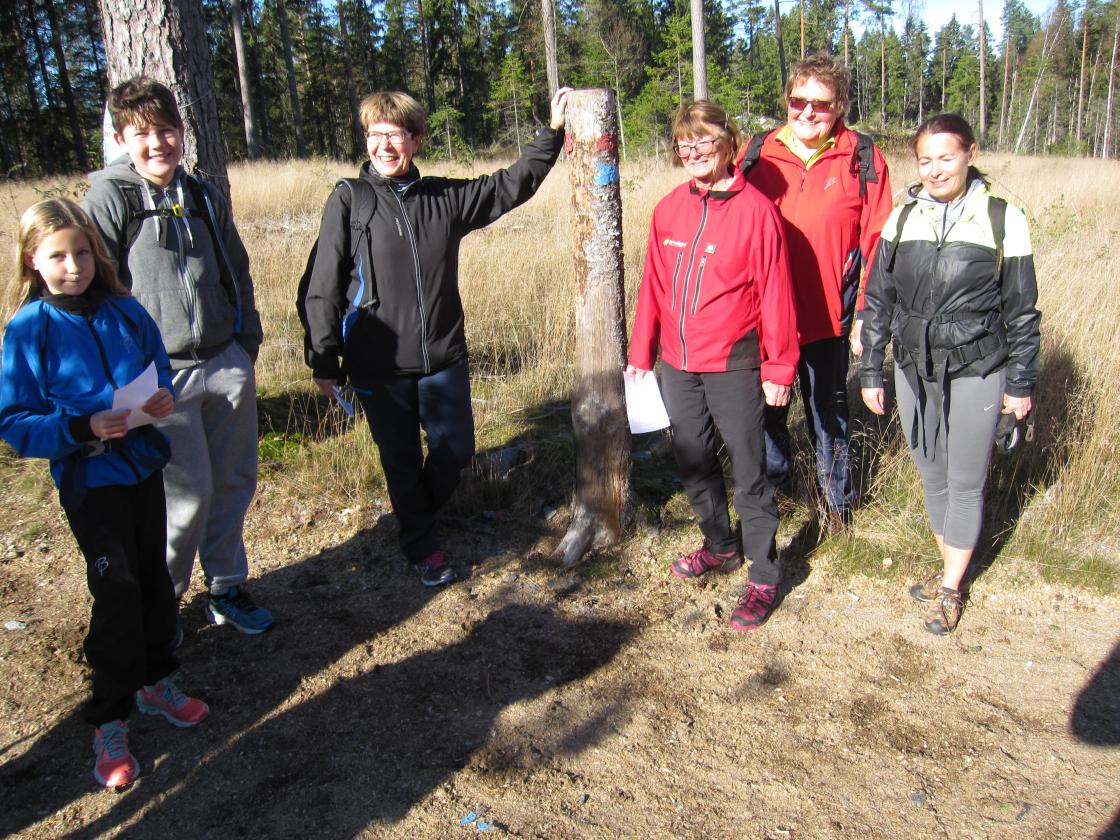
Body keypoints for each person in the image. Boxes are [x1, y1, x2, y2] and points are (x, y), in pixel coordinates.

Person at [302, 87, 571, 587]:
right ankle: (420, 542)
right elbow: (322, 283)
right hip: (378, 363)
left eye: (395, 134)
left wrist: (551, 135)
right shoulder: (349, 199)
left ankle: (415, 513)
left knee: (455, 450)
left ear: (416, 140)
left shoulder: (443, 198)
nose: (384, 145)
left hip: (443, 356)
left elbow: (510, 185)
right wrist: (323, 360)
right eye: (375, 134)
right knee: (400, 458)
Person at [0, 199, 209, 788]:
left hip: (142, 468)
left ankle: (156, 683)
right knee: (116, 591)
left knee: (153, 576)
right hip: (91, 483)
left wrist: (161, 397)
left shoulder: (125, 310)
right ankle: (109, 719)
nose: (74, 266)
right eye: (58, 256)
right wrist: (80, 427)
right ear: (33, 262)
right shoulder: (29, 328)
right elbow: (15, 421)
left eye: (83, 252)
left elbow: (155, 371)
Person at [83, 78, 273, 636]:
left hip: (225, 361)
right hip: (160, 378)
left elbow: (236, 271)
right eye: (142, 133)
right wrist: (123, 376)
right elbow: (96, 291)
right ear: (121, 138)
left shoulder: (202, 196)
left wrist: (246, 344)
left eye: (167, 130)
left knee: (235, 481)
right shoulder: (110, 198)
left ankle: (227, 587)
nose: (158, 143)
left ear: (183, 133)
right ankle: (163, 605)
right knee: (182, 500)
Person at [859, 113, 1041, 635]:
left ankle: (951, 589)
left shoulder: (1003, 218)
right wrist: (871, 369)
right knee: (931, 474)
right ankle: (949, 568)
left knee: (964, 481)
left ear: (970, 154)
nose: (935, 169)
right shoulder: (901, 218)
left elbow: (1022, 312)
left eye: (946, 157)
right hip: (914, 368)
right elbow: (878, 300)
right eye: (925, 159)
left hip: (978, 367)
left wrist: (1020, 384)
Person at [627, 101, 799, 632]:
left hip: (733, 363)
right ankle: (721, 546)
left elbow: (776, 295)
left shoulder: (757, 212)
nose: (694, 152)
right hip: (677, 363)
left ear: (729, 144)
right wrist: (640, 354)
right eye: (685, 143)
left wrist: (779, 368)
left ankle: (765, 574)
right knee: (693, 459)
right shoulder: (668, 209)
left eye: (704, 141)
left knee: (749, 469)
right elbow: (653, 287)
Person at [737, 53, 893, 531]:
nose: (806, 112)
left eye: (820, 104)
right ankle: (778, 495)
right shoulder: (758, 152)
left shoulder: (862, 156)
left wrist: (867, 310)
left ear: (839, 105)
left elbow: (878, 243)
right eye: (797, 100)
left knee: (828, 414)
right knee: (767, 414)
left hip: (829, 314)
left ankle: (835, 506)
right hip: (765, 318)